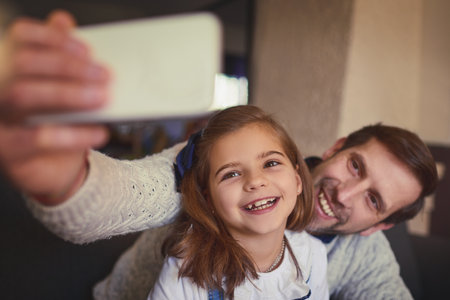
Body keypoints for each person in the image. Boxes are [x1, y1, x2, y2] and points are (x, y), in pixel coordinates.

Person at [0, 10, 438, 300]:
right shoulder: (212, 166)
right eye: (356, 166)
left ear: (377, 227)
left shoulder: (338, 256)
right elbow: (123, 197)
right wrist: (65, 179)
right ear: (336, 148)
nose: (346, 194)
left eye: (374, 200)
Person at [148, 105, 328, 299]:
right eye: (231, 174)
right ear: (208, 200)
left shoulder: (312, 255)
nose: (255, 181)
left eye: (270, 163)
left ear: (297, 180)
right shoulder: (185, 272)